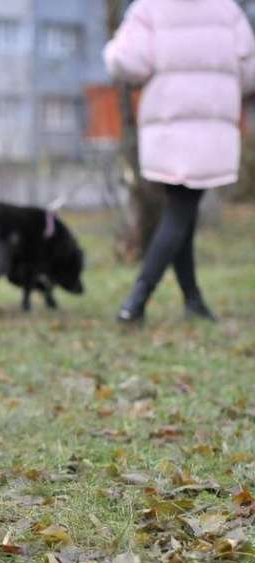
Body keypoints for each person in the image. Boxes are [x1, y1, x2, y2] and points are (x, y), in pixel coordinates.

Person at [105, 0, 255, 323]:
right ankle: (137, 301)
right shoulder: (227, 10)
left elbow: (127, 61)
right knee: (181, 211)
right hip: (212, 127)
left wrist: (114, 49)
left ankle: (187, 300)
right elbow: (249, 70)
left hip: (168, 126)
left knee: (180, 210)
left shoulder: (150, 8)